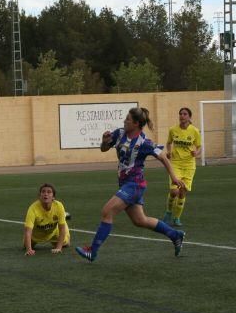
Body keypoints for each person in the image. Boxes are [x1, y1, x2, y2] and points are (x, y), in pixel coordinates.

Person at [75, 107, 186, 262]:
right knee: (140, 220)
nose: (124, 121)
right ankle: (175, 235)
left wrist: (174, 178)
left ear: (136, 123)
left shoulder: (144, 142)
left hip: (135, 185)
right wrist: (104, 141)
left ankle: (92, 251)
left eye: (127, 119)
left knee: (107, 211)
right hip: (125, 184)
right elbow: (104, 149)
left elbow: (164, 157)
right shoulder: (119, 133)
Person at [163, 107, 202, 227]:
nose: (182, 116)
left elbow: (199, 146)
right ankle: (168, 212)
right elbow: (168, 143)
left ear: (189, 117)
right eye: (180, 114)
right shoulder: (173, 130)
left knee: (182, 192)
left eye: (185, 114)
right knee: (174, 191)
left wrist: (196, 153)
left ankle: (176, 218)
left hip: (189, 166)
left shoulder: (195, 131)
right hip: (175, 164)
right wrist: (168, 152)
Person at [23, 183, 70, 256]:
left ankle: (63, 218)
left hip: (53, 233)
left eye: (49, 192)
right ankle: (63, 216)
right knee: (25, 246)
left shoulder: (59, 206)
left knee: (66, 244)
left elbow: (62, 229)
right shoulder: (32, 209)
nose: (46, 194)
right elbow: (28, 231)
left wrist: (58, 248)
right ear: (39, 196)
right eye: (43, 192)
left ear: (53, 197)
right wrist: (29, 250)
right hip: (35, 236)